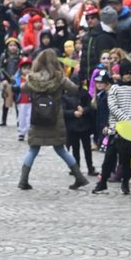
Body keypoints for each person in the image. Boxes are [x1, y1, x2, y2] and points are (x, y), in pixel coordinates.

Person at [17, 49, 89, 191]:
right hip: (55, 118)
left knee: (33, 149)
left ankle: (23, 180)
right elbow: (74, 89)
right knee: (61, 149)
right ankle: (79, 177)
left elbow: (23, 89)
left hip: (37, 118)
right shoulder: (59, 78)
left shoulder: (33, 78)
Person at [93, 58, 131, 194]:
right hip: (116, 128)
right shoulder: (115, 89)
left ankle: (125, 183)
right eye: (126, 72)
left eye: (130, 72)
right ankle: (103, 181)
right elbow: (113, 106)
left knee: (127, 159)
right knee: (109, 158)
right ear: (121, 74)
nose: (128, 75)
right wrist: (125, 119)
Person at [0, 37, 21, 126]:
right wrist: (3, 78)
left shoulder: (20, 57)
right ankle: (4, 119)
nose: (13, 47)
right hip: (7, 81)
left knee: (18, 101)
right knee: (6, 100)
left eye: (14, 45)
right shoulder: (4, 56)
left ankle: (19, 120)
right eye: (11, 45)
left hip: (17, 81)